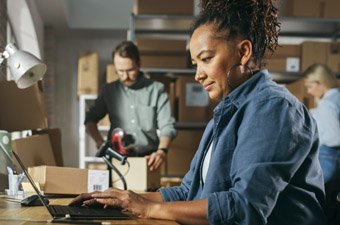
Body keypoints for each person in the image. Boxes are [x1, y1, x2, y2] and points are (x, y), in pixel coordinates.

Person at [71, 1, 327, 224]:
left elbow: (244, 208)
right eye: (195, 63)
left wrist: (148, 208)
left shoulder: (273, 108)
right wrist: (123, 198)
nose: (197, 74)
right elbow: (187, 192)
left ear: (243, 52)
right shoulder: (226, 112)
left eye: (206, 59)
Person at [85, 41, 176, 171]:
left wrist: (162, 151)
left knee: (146, 192)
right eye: (120, 71)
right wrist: (100, 142)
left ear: (139, 64)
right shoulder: (109, 91)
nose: (125, 76)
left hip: (148, 161)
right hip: (116, 159)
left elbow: (167, 126)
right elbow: (90, 119)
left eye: (130, 70)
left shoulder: (157, 90)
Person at [303, 63, 340, 183]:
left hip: (328, 156)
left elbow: (335, 138)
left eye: (310, 86)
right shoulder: (336, 98)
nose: (309, 92)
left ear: (321, 82)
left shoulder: (327, 104)